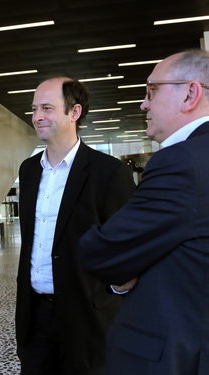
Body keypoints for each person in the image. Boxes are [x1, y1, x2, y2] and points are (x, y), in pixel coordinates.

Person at [79, 49, 209, 375]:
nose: (143, 104)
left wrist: (126, 268)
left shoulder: (181, 162)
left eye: (152, 89)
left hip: (175, 352)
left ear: (190, 94)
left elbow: (102, 250)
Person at [16, 77, 135, 375]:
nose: (37, 117)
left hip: (86, 317)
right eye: (34, 109)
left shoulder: (108, 172)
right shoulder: (28, 170)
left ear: (75, 112)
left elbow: (127, 244)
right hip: (35, 315)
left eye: (47, 108)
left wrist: (118, 288)